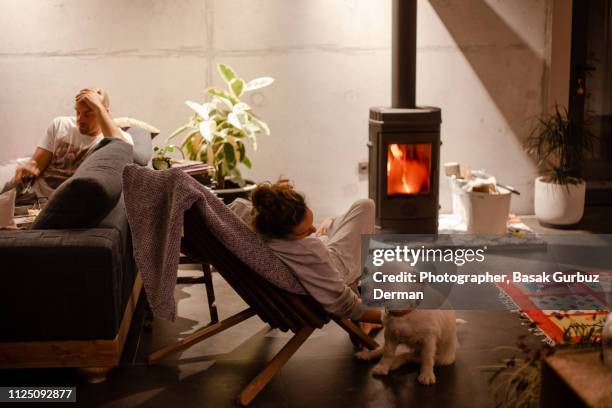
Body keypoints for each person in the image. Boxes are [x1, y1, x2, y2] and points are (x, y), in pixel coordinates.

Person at [229, 180, 381, 325]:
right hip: (334, 266)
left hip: (319, 251)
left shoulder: (242, 213)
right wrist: (391, 317)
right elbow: (346, 306)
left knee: (336, 224)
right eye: (305, 232)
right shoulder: (311, 253)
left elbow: (238, 206)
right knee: (366, 205)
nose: (313, 230)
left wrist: (313, 237)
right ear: (284, 235)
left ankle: (329, 225)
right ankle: (330, 227)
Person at [19, 87, 133, 199]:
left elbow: (119, 148)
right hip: (36, 195)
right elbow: (37, 165)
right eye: (77, 112)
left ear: (104, 112)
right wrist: (29, 168)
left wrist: (98, 106)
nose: (80, 119)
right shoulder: (60, 125)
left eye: (88, 114)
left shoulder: (122, 139)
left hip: (71, 200)